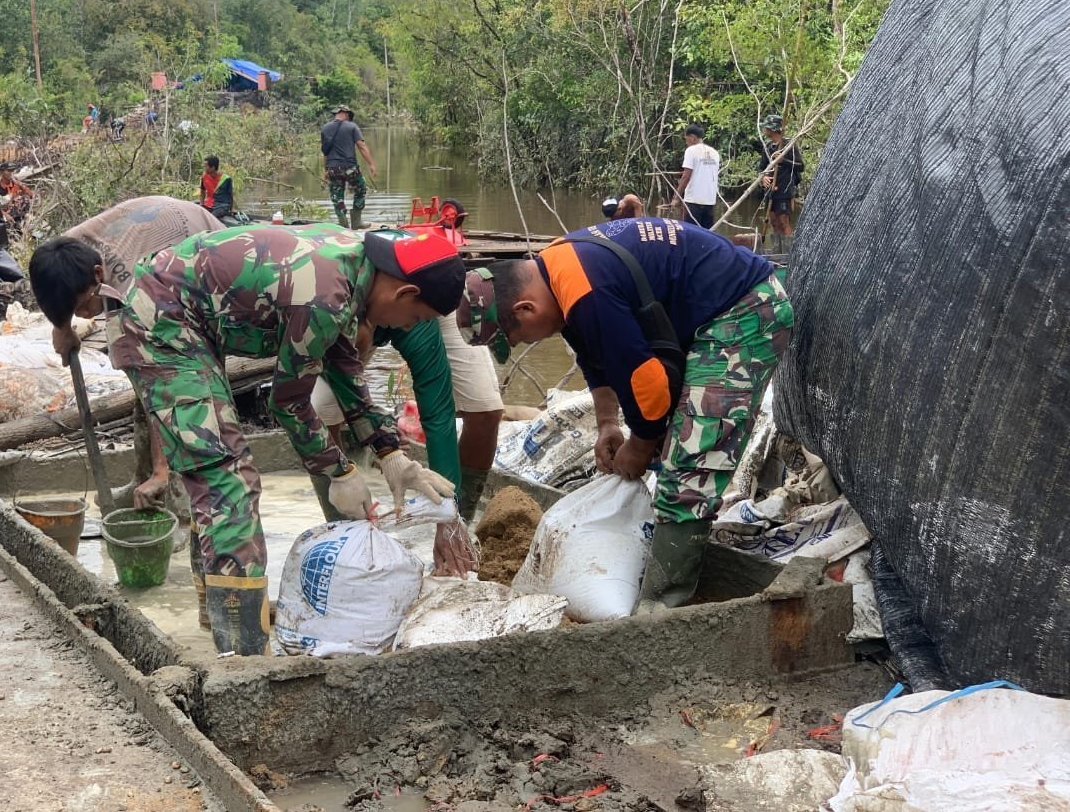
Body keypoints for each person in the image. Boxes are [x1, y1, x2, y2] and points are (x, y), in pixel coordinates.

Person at [37, 224, 464, 655]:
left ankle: (216, 609)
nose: (409, 326)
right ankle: (242, 653)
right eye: (417, 319)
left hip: (184, 319)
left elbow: (341, 362)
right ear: (404, 294)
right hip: (158, 329)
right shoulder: (328, 294)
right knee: (228, 484)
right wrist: (339, 469)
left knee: (220, 477)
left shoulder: (354, 264)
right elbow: (289, 401)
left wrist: (390, 452)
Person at [457, 217, 792, 614]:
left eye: (516, 337)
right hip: (701, 318)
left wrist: (640, 443)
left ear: (525, 308)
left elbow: (647, 383)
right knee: (672, 440)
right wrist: (607, 425)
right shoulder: (558, 269)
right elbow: (594, 356)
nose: (526, 342)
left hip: (746, 311)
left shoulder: (587, 292)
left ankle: (660, 608)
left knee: (693, 456)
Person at [30, 197, 223, 511]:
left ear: (98, 275)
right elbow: (58, 294)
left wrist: (162, 469)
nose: (83, 315)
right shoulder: (63, 258)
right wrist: (62, 326)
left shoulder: (141, 286)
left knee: (179, 384)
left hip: (197, 248)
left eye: (81, 308)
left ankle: (174, 488)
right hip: (149, 228)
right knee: (138, 370)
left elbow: (161, 383)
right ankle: (143, 477)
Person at [310, 293, 504, 527]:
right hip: (338, 307)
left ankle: (459, 528)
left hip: (429, 291)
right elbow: (295, 402)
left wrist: (448, 518)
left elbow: (437, 410)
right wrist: (379, 449)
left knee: (485, 407)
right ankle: (345, 533)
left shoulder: (416, 315)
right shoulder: (320, 308)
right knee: (319, 414)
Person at [320, 105, 378, 229]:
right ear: (345, 113)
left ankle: (343, 223)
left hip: (333, 168)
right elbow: (361, 146)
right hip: (350, 167)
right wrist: (371, 164)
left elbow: (325, 152)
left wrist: (326, 170)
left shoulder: (325, 128)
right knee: (360, 188)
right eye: (349, 116)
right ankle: (356, 222)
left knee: (337, 195)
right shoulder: (352, 127)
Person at [758, 115, 803, 253]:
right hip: (771, 191)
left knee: (784, 222)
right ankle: (777, 252)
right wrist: (763, 177)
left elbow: (801, 166)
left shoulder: (789, 145)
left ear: (773, 128)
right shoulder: (768, 146)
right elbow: (761, 167)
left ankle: (789, 254)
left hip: (785, 190)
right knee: (774, 222)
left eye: (767, 127)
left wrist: (784, 160)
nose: (765, 129)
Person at [675, 123, 720, 228]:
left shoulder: (691, 151)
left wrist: (676, 198)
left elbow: (686, 176)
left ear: (693, 138)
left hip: (693, 201)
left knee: (690, 234)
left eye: (686, 139)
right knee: (706, 235)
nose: (686, 142)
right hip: (710, 201)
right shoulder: (714, 153)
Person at [198, 155, 233, 219]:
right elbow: (202, 192)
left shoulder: (226, 179)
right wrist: (201, 205)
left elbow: (230, 195)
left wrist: (231, 210)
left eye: (206, 166)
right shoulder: (204, 177)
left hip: (222, 206)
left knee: (212, 217)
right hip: (208, 204)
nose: (204, 167)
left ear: (213, 167)